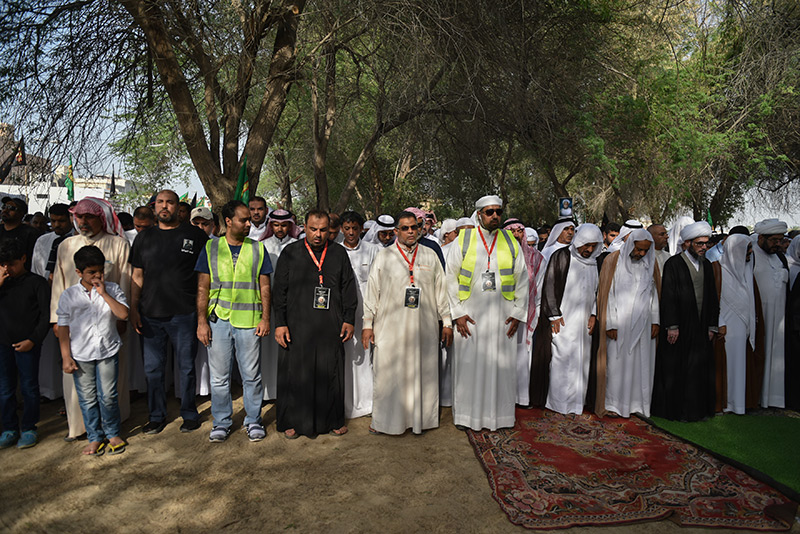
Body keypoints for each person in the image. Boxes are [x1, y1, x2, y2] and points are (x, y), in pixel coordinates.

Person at [362, 211, 452, 435]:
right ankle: (386, 422)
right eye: (405, 228)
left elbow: (441, 291)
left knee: (422, 372)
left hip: (424, 328)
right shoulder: (384, 257)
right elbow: (372, 292)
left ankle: (420, 420)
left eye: (414, 227)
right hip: (390, 329)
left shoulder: (430, 255)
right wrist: (367, 325)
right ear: (396, 231)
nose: (411, 232)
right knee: (390, 374)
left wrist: (447, 322)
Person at [51, 197, 132, 441]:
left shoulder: (118, 244)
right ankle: (81, 428)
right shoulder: (66, 245)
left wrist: (122, 320)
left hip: (109, 325)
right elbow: (58, 283)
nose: (83, 221)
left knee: (110, 387)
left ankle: (114, 427)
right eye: (79, 216)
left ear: (102, 218)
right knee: (80, 386)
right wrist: (56, 320)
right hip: (75, 327)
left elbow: (125, 281)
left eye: (89, 216)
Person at [272, 210, 358, 439]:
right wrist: (280, 323)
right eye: (313, 229)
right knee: (295, 373)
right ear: (304, 227)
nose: (318, 235)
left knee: (330, 372)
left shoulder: (338, 253)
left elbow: (348, 287)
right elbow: (279, 291)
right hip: (297, 326)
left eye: (323, 230)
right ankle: (292, 421)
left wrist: (349, 319)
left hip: (330, 325)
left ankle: (333, 420)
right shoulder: (290, 252)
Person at [445, 195, 528, 431]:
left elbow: (522, 279)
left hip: (503, 317)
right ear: (479, 214)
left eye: (498, 212)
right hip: (470, 317)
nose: (495, 216)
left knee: (501, 368)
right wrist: (457, 313)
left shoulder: (510, 241)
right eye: (489, 212)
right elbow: (450, 277)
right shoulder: (464, 239)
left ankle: (499, 417)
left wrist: (518, 312)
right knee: (468, 367)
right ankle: (466, 417)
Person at [130, 190, 209, 434]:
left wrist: (201, 316)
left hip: (184, 314)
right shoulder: (144, 238)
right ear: (155, 207)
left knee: (186, 368)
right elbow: (137, 276)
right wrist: (133, 308)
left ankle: (189, 413)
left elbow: (204, 277)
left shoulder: (195, 235)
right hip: (150, 315)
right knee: (153, 370)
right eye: (161, 203)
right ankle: (156, 416)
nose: (165, 207)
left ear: (177, 207)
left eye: (170, 203)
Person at [196, 200, 272, 443]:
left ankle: (253, 420)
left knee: (251, 375)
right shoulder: (211, 247)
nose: (249, 223)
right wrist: (201, 322)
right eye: (243, 219)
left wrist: (265, 318)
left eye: (249, 219)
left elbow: (265, 286)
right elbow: (203, 287)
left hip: (249, 320)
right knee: (219, 377)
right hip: (218, 320)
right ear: (228, 221)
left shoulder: (258, 249)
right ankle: (221, 422)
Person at [57, 245, 129, 456]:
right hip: (81, 354)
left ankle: (113, 433)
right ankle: (94, 437)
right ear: (79, 272)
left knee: (108, 395)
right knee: (88, 398)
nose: (97, 276)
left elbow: (123, 314)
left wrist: (103, 293)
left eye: (100, 271)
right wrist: (66, 357)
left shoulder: (112, 289)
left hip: (107, 350)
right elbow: (63, 328)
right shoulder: (69, 295)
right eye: (91, 272)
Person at [529, 224, 602, 414]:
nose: (589, 250)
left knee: (582, 360)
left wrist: (594, 314)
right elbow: (550, 286)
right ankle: (558, 403)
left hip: (584, 323)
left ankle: (577, 403)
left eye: (593, 246)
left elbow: (597, 292)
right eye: (586, 245)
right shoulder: (562, 256)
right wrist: (554, 314)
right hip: (562, 320)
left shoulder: (595, 262)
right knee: (561, 359)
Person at [652, 221, 720, 422]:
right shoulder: (674, 264)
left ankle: (698, 410)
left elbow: (712, 296)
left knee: (698, 369)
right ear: (688, 243)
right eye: (699, 244)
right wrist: (672, 326)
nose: (704, 247)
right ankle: (680, 411)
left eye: (706, 244)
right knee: (679, 369)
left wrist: (711, 325)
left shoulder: (706, 264)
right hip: (680, 328)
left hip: (701, 326)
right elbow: (668, 297)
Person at [593, 229, 660, 418]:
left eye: (645, 250)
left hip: (644, 324)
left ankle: (638, 404)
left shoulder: (650, 263)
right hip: (619, 323)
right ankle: (614, 405)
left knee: (642, 364)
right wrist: (610, 323)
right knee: (617, 365)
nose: (641, 254)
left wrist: (655, 320)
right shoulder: (613, 260)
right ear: (631, 245)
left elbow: (653, 294)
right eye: (639, 249)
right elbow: (608, 293)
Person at [0, 240, 50, 449]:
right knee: (5, 389)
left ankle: (29, 427)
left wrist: (33, 340)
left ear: (23, 259)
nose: (7, 269)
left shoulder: (37, 283)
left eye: (11, 264)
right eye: (3, 264)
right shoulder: (2, 283)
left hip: (28, 344)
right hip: (3, 344)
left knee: (29, 388)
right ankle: (9, 428)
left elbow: (46, 316)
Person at [714, 234, 764, 414]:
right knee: (726, 366)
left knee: (740, 365)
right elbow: (714, 300)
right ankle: (725, 403)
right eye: (747, 251)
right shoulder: (717, 270)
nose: (750, 254)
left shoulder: (747, 271)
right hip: (725, 329)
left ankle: (739, 404)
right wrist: (720, 322)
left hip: (743, 329)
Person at [30, 203, 72, 401]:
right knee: (47, 349)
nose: (57, 225)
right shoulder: (43, 240)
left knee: (68, 347)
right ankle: (48, 390)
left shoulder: (75, 240)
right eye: (53, 221)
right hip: (45, 298)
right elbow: (36, 270)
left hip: (68, 299)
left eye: (61, 221)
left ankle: (68, 394)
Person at [340, 211, 379, 419]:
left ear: (361, 229)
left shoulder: (373, 250)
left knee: (367, 354)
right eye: (347, 228)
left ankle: (368, 403)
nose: (351, 232)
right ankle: (346, 403)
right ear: (341, 229)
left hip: (367, 309)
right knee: (347, 356)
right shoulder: (336, 251)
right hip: (344, 312)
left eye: (355, 228)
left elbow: (378, 282)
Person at [503, 218, 545, 407]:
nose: (516, 234)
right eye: (511, 231)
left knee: (521, 356)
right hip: (502, 313)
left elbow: (539, 288)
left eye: (520, 231)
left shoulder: (536, 258)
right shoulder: (495, 255)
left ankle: (520, 398)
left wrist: (535, 312)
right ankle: (502, 396)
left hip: (525, 313)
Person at [259, 208, 300, 401]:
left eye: (284, 225)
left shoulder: (297, 246)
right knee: (267, 349)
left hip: (290, 305)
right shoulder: (262, 246)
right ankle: (268, 392)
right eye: (276, 225)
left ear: (290, 226)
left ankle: (288, 390)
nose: (280, 228)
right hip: (267, 304)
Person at [751, 218, 789, 409]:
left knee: (776, 357)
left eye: (780, 240)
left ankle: (774, 399)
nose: (778, 244)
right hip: (759, 318)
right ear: (761, 238)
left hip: (779, 320)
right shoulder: (751, 256)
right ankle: (756, 398)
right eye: (774, 240)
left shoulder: (781, 258)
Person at [0, 197, 42, 271]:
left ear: (21, 213)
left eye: (11, 208)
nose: (5, 210)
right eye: (4, 207)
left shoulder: (30, 233)